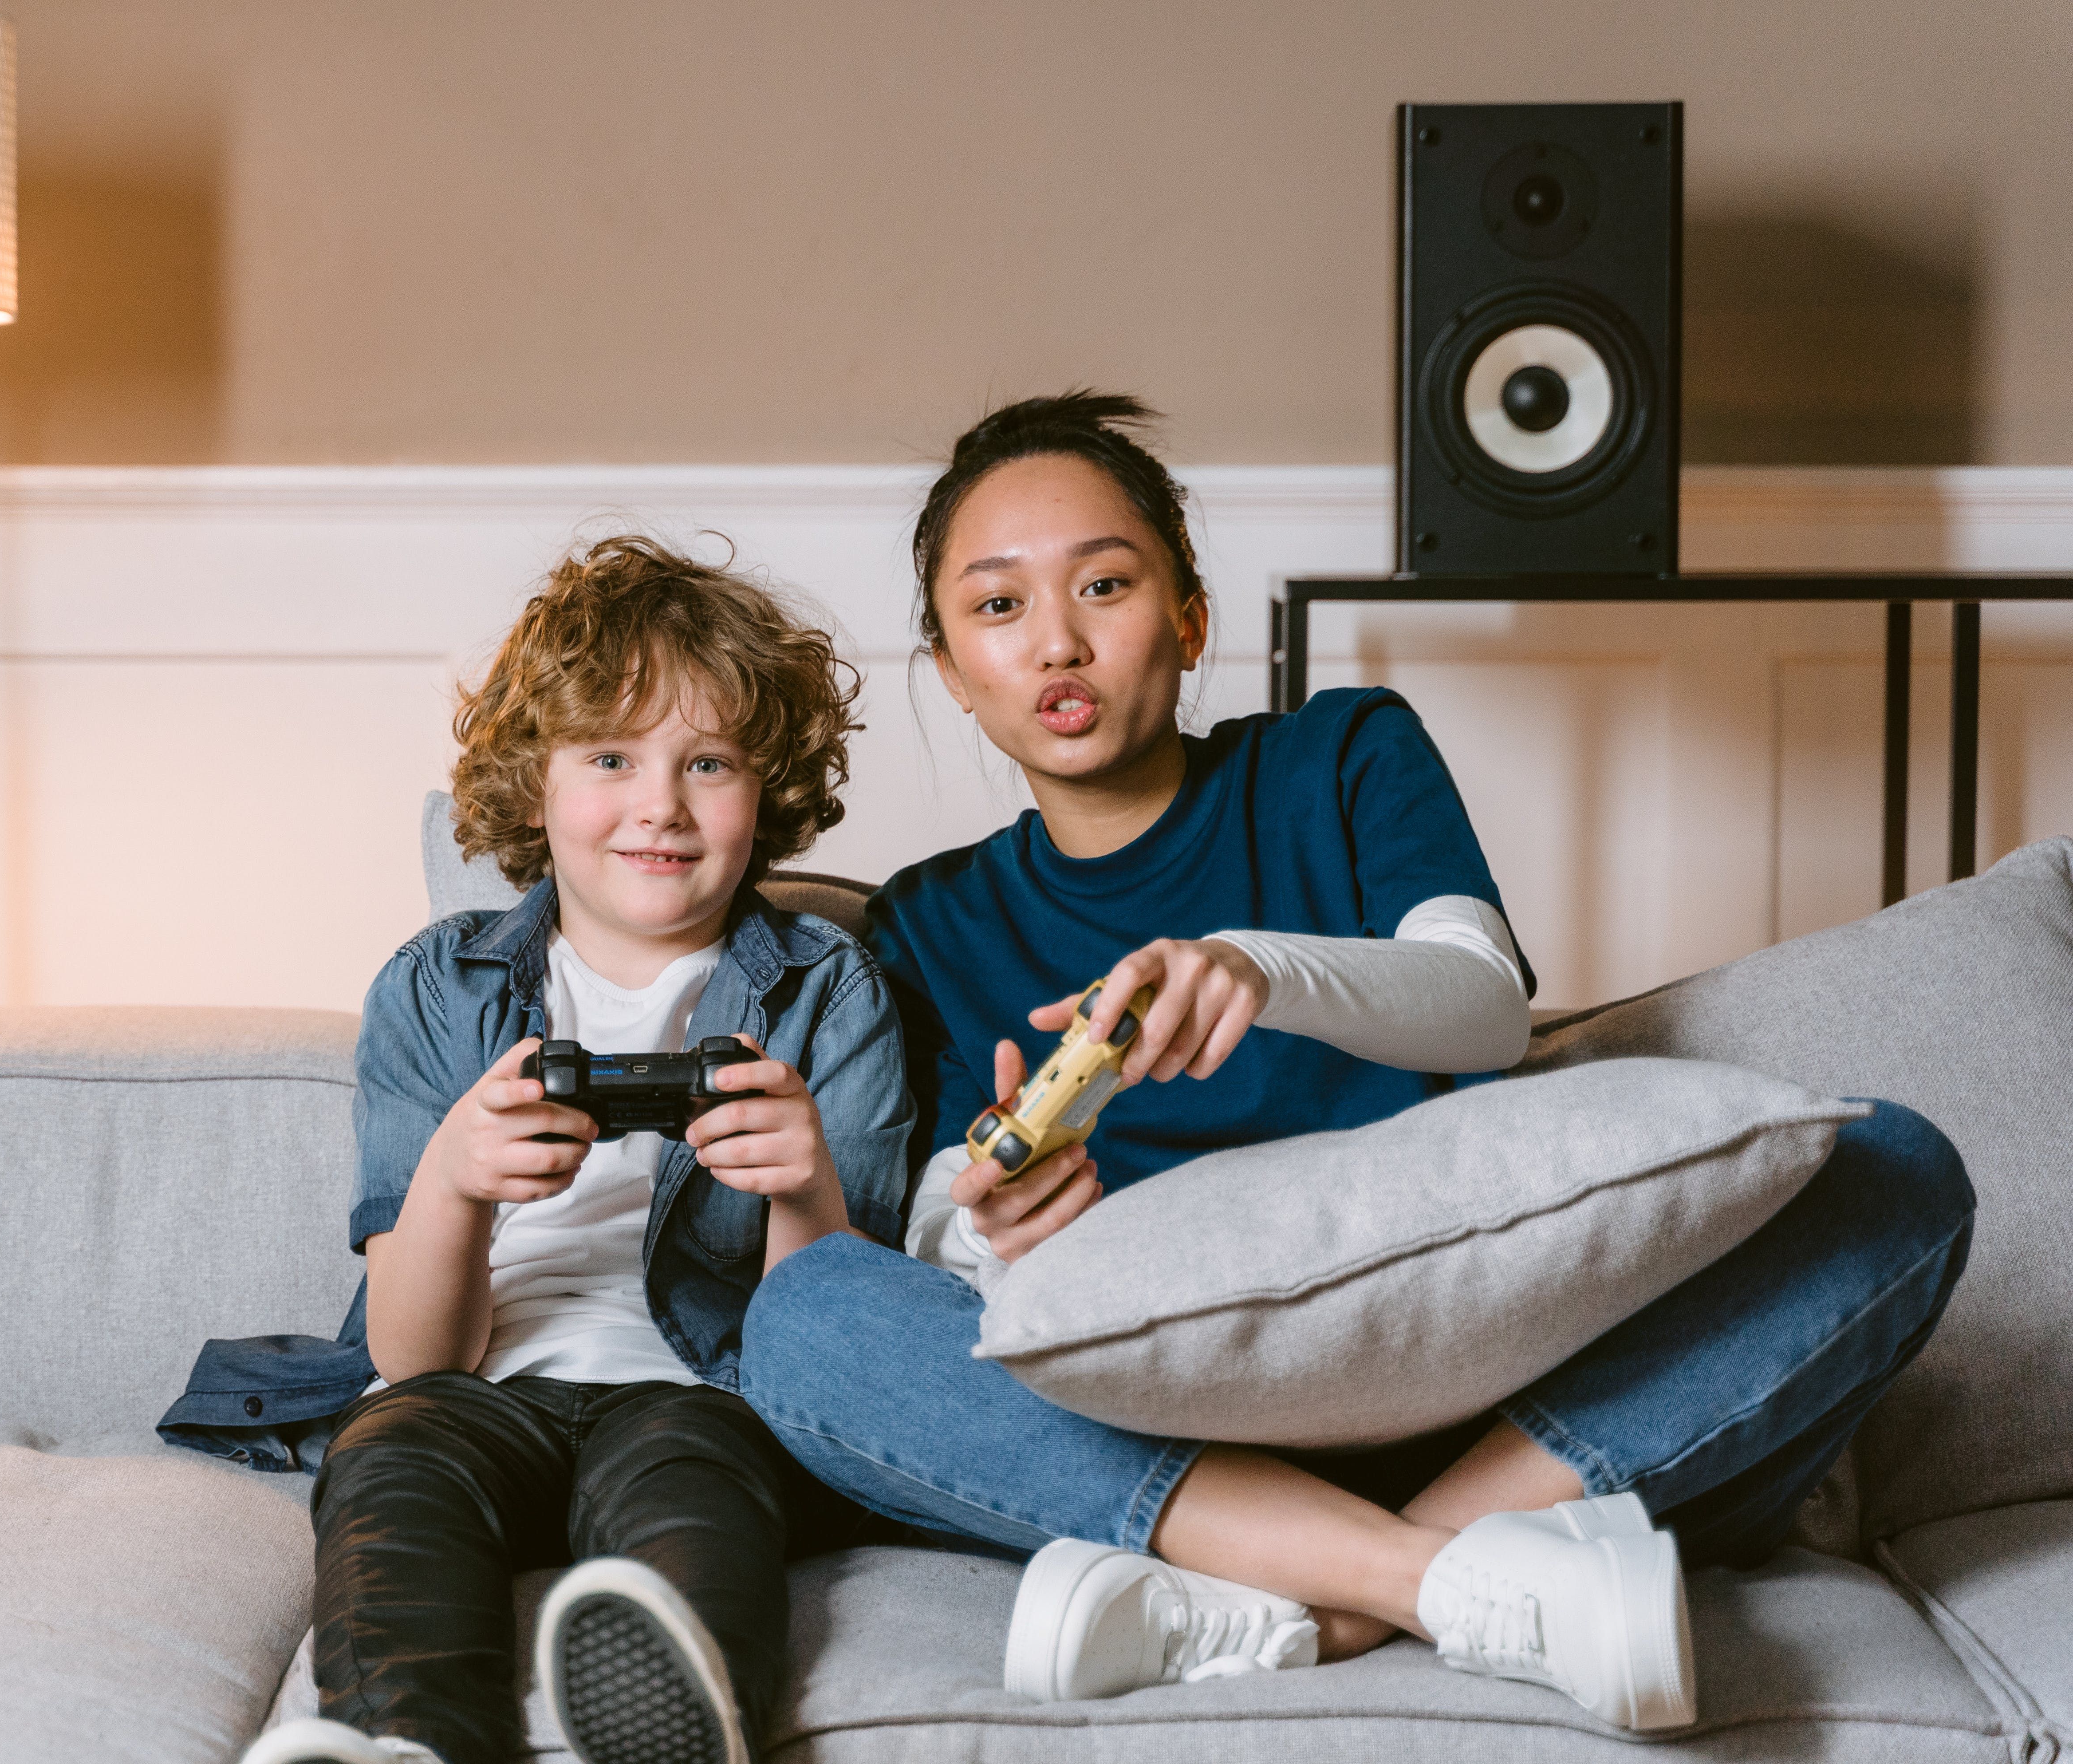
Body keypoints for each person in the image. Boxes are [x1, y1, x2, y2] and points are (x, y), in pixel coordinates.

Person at [736, 392, 1976, 1732]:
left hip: (1515, 1407)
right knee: (804, 1317)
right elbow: (930, 1225)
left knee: (1892, 1169)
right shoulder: (933, 920)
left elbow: (1482, 1002)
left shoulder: (1340, 756)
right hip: (1174, 1448)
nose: (1056, 638)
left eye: (1104, 582)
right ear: (948, 667)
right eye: (997, 607)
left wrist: (1258, 970)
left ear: (1189, 615)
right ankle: (1437, 1579)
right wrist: (996, 1234)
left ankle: (1306, 1606)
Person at [244, 537, 913, 1764]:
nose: (660, 805)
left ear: (764, 794)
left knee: (700, 1489)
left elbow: (834, 1356)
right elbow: (414, 1355)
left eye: (707, 763)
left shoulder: (830, 991)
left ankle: (678, 1709)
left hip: (698, 1392)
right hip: (472, 1391)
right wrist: (452, 1177)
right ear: (534, 783)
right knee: (389, 1460)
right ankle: (405, 1743)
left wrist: (805, 1191)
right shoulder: (438, 985)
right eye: (610, 758)